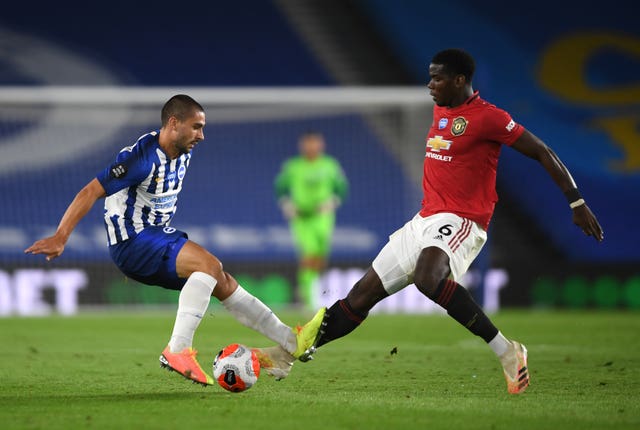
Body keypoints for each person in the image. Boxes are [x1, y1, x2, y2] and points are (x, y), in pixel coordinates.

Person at [299, 49, 604, 394]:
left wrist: (576, 202)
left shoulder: (489, 117)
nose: (430, 85)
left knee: (429, 279)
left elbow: (541, 151)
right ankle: (291, 352)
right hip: (423, 219)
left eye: (437, 78)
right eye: (430, 77)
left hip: (463, 219)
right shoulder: (441, 108)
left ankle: (507, 351)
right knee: (359, 296)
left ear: (459, 80)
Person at [25, 94, 325, 385]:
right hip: (133, 241)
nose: (202, 135)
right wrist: (61, 236)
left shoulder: (183, 151)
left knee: (222, 281)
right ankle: (178, 350)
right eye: (196, 127)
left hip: (153, 237)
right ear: (173, 123)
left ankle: (290, 343)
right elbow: (89, 191)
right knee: (209, 265)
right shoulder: (140, 159)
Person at [275, 132, 348, 308]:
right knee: (309, 252)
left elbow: (342, 186)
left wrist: (334, 201)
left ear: (321, 145)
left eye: (315, 143)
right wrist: (286, 204)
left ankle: (310, 285)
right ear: (302, 146)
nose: (311, 147)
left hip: (323, 216)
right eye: (307, 144)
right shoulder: (292, 166)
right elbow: (280, 186)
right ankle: (309, 297)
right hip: (301, 217)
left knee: (320, 254)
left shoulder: (330, 165)